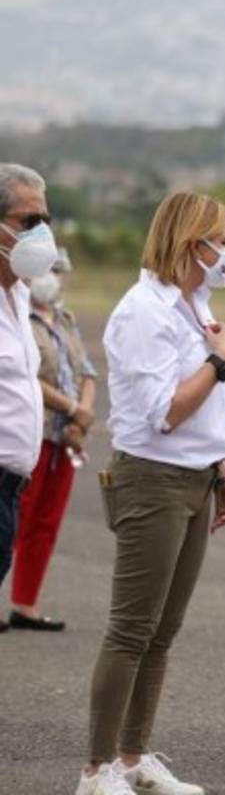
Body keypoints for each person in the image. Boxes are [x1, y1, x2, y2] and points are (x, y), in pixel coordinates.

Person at [78, 191, 225, 795]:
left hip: (196, 477)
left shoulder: (192, 304)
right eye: (220, 241)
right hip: (151, 478)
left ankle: (134, 757)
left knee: (162, 631)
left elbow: (204, 416)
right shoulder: (142, 311)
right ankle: (97, 771)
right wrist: (220, 359)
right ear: (189, 242)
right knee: (130, 630)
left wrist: (222, 470)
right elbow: (164, 413)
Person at [11, 248, 99, 631]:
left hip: (66, 435)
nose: (56, 278)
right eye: (51, 270)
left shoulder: (65, 319)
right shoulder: (18, 318)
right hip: (35, 430)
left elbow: (87, 371)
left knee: (46, 520)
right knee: (17, 516)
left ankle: (25, 604)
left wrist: (82, 414)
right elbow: (26, 375)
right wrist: (72, 407)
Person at [0, 163, 58, 635]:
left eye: (46, 221)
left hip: (11, 488)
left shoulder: (18, 295)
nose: (41, 234)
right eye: (28, 221)